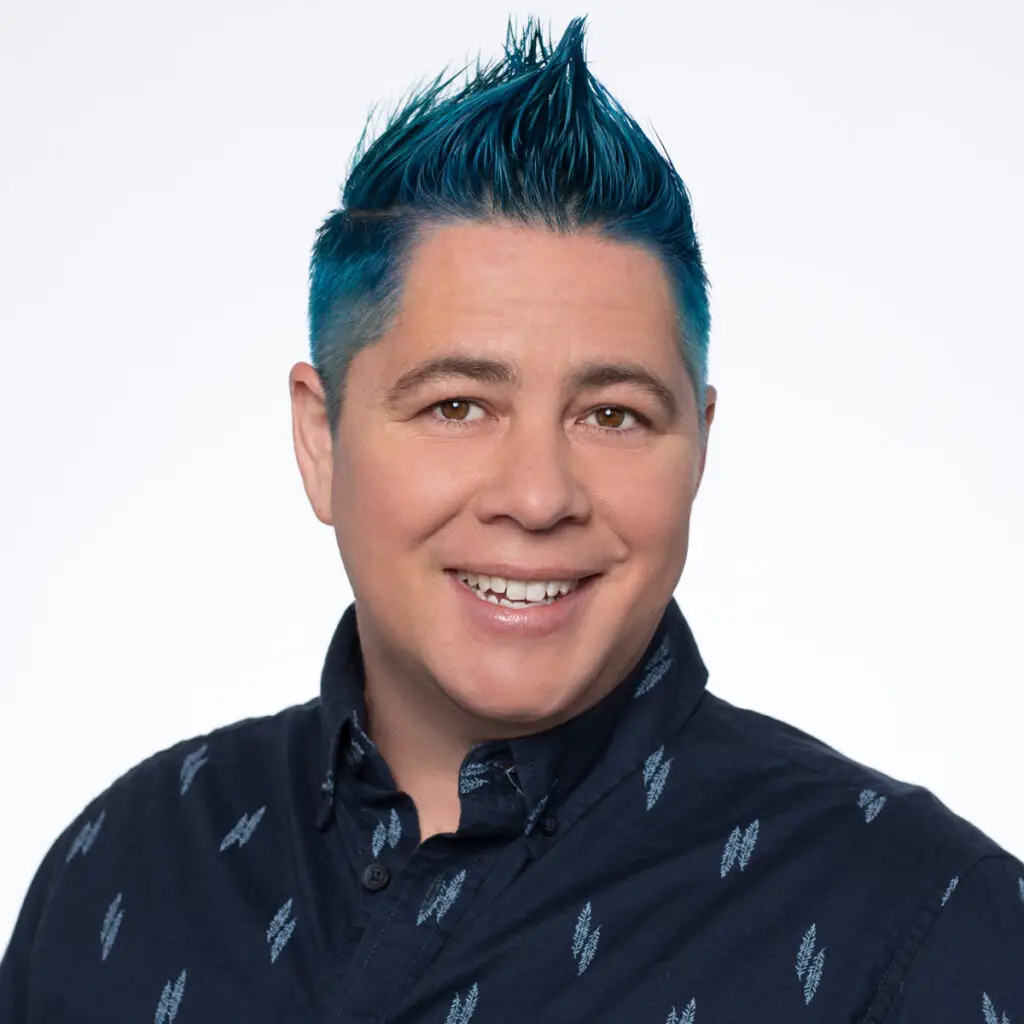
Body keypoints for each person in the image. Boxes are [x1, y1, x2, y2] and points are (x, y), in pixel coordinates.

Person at [2, 15, 1021, 1023]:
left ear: (698, 448)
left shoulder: (924, 920)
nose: (537, 498)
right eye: (458, 406)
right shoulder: (127, 864)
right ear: (323, 440)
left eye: (613, 415)